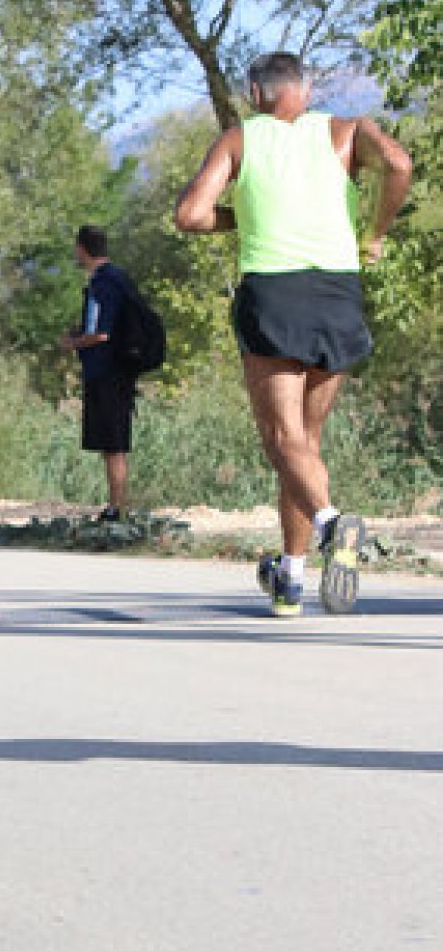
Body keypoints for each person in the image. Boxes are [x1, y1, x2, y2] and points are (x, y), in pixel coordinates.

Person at [175, 51, 411, 615]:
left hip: (275, 293)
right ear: (304, 90)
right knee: (304, 444)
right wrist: (375, 233)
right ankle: (291, 577)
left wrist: (239, 216)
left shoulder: (240, 140)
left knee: (283, 442)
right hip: (337, 292)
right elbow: (399, 164)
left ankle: (331, 524)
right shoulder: (346, 131)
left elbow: (189, 215)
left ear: (256, 94)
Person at [58, 226, 136, 522]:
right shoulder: (120, 278)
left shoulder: (102, 283)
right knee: (112, 442)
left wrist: (73, 343)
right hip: (120, 368)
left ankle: (117, 508)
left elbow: (100, 333)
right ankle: (116, 504)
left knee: (113, 443)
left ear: (82, 249)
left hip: (107, 371)